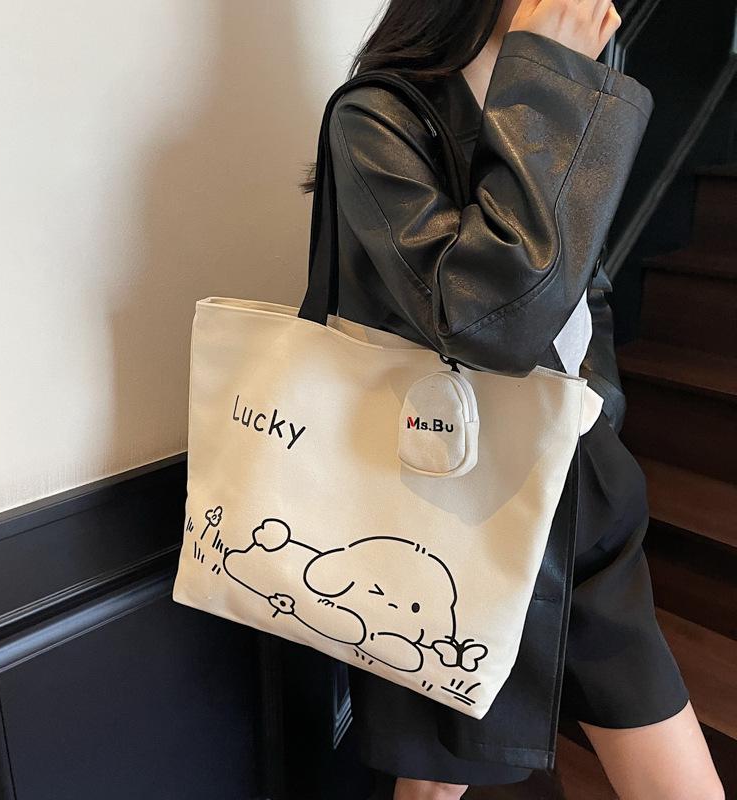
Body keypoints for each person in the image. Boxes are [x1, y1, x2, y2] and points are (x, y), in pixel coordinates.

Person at [299, 1, 725, 799]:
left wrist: (596, 413)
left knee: (660, 743)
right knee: (434, 780)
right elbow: (489, 320)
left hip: (575, 480)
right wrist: (549, 82)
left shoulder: (573, 90)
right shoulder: (381, 115)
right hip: (444, 505)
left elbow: (584, 291)